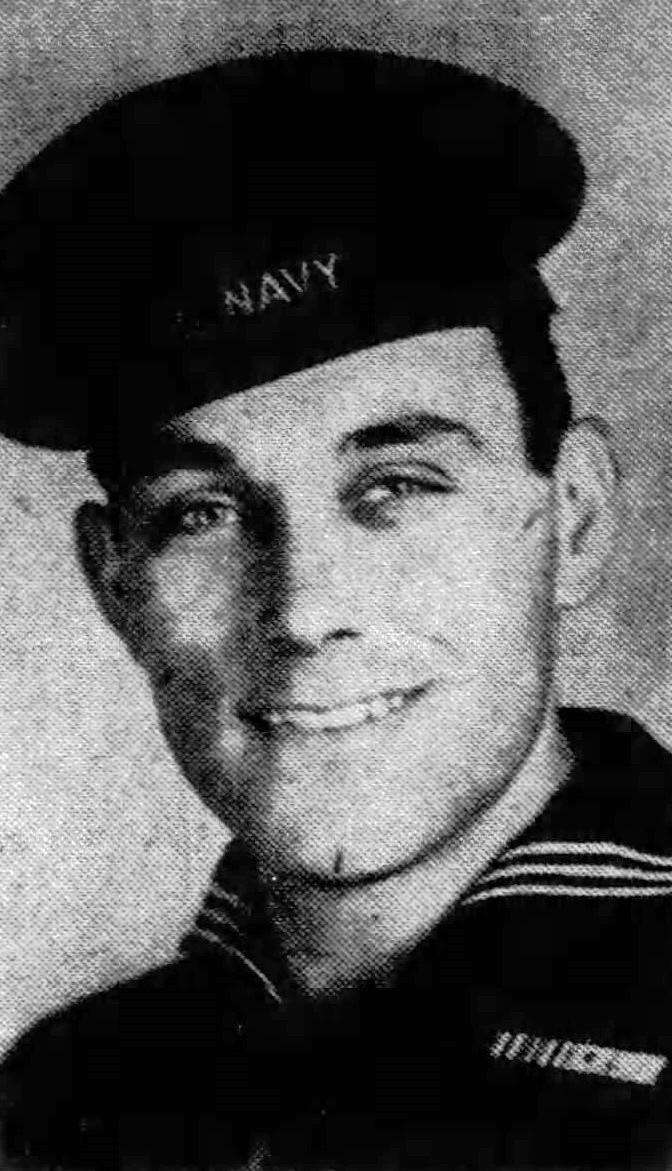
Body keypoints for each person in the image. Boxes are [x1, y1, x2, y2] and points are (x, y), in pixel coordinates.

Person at [0, 45, 670, 1171]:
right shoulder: (66, 1097)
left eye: (395, 488)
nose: (304, 610)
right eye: (203, 513)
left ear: (574, 518)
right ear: (116, 587)